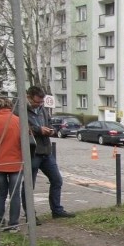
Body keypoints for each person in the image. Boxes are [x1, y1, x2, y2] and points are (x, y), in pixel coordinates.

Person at [18, 86, 74, 219]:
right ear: (28, 97)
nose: (39, 104)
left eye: (41, 102)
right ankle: (30, 215)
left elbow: (50, 124)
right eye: (36, 102)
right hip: (32, 152)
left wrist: (51, 131)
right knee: (29, 185)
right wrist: (38, 130)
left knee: (57, 180)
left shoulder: (43, 110)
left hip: (46, 151)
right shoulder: (19, 110)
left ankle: (57, 210)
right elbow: (19, 127)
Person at [0, 97, 23, 230]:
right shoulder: (19, 121)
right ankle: (14, 224)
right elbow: (28, 141)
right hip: (17, 163)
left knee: (1, 193)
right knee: (15, 194)